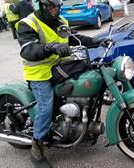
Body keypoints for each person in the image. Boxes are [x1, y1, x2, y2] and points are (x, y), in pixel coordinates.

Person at [16, 0, 111, 167]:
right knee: (46, 107)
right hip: (40, 74)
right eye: (50, 7)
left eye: (57, 7)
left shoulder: (61, 21)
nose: (54, 10)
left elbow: (75, 38)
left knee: (84, 87)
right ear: (41, 6)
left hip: (62, 68)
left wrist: (97, 42)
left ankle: (79, 122)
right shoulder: (27, 23)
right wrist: (50, 47)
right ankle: (37, 148)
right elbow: (27, 50)